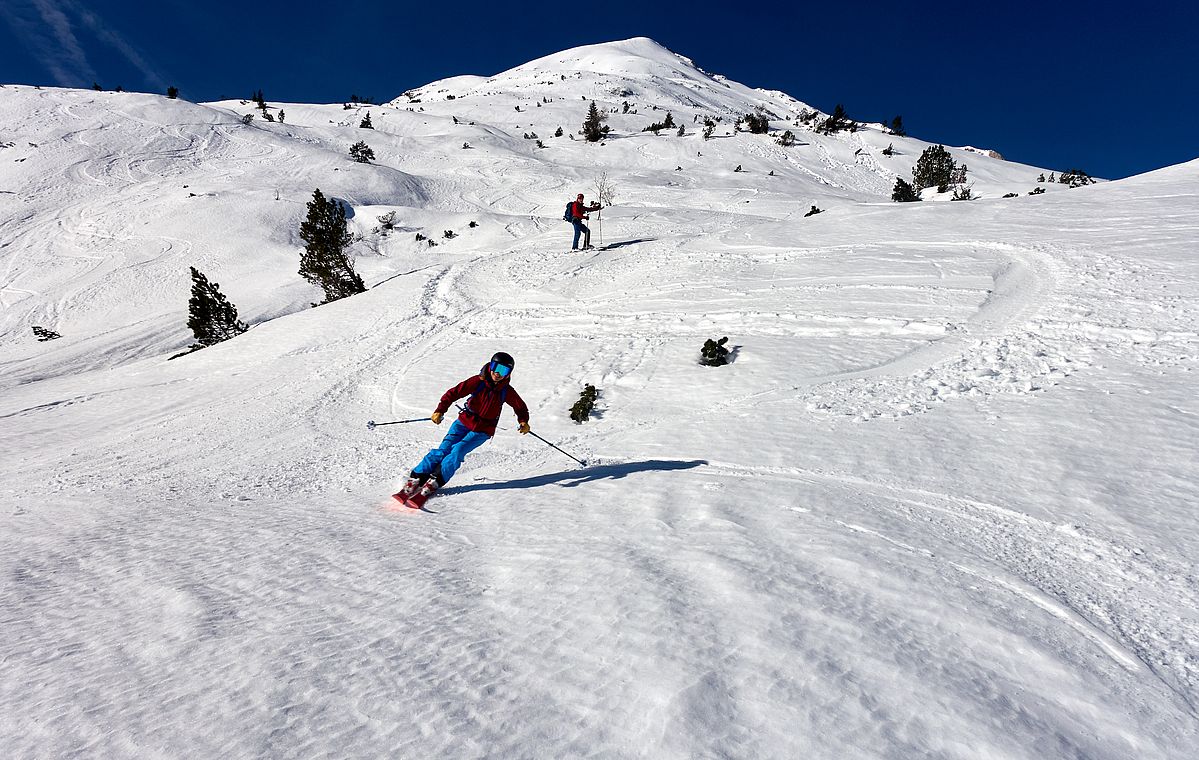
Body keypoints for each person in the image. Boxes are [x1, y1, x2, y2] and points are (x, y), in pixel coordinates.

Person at [395, 351, 531, 507]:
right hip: (463, 422)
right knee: (443, 450)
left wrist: (523, 421)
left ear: (508, 373)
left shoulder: (507, 391)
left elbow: (520, 407)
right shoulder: (478, 381)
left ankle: (435, 482)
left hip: (483, 430)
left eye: (504, 371)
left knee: (458, 451)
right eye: (496, 367)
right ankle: (416, 478)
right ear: (490, 365)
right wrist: (440, 410)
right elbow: (453, 393)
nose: (497, 373)